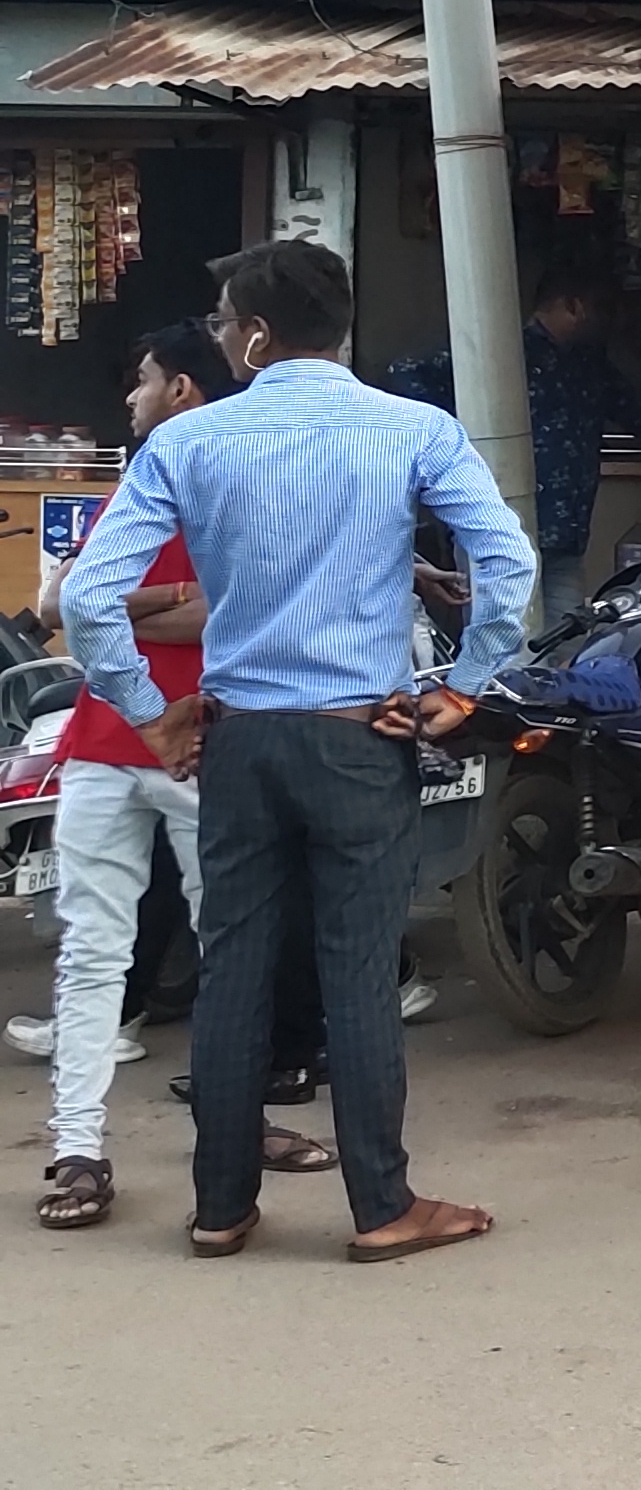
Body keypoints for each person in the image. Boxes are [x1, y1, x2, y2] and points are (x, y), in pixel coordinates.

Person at [62, 238, 535, 1263]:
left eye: (229, 321)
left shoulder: (191, 444)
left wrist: (151, 712)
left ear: (262, 333)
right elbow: (508, 561)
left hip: (235, 741)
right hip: (359, 738)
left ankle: (221, 1206)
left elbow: (91, 597)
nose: (224, 338)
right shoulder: (414, 430)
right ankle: (381, 1208)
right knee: (355, 973)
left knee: (234, 969)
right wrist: (460, 684)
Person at [29, 325, 337, 1231]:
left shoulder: (208, 485)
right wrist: (169, 607)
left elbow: (211, 609)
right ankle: (86, 1143)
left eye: (144, 380)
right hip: (140, 749)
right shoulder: (149, 484)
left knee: (207, 952)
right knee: (133, 951)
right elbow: (57, 606)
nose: (132, 397)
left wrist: (122, 607)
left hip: (186, 747)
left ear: (185, 391)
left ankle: (190, 1134)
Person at [382, 257, 641, 611]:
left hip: (564, 533)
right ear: (575, 307)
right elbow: (404, 373)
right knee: (503, 643)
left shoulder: (588, 365)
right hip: (497, 527)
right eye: (603, 310)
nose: (610, 322)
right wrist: (452, 435)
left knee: (562, 643)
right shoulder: (503, 352)